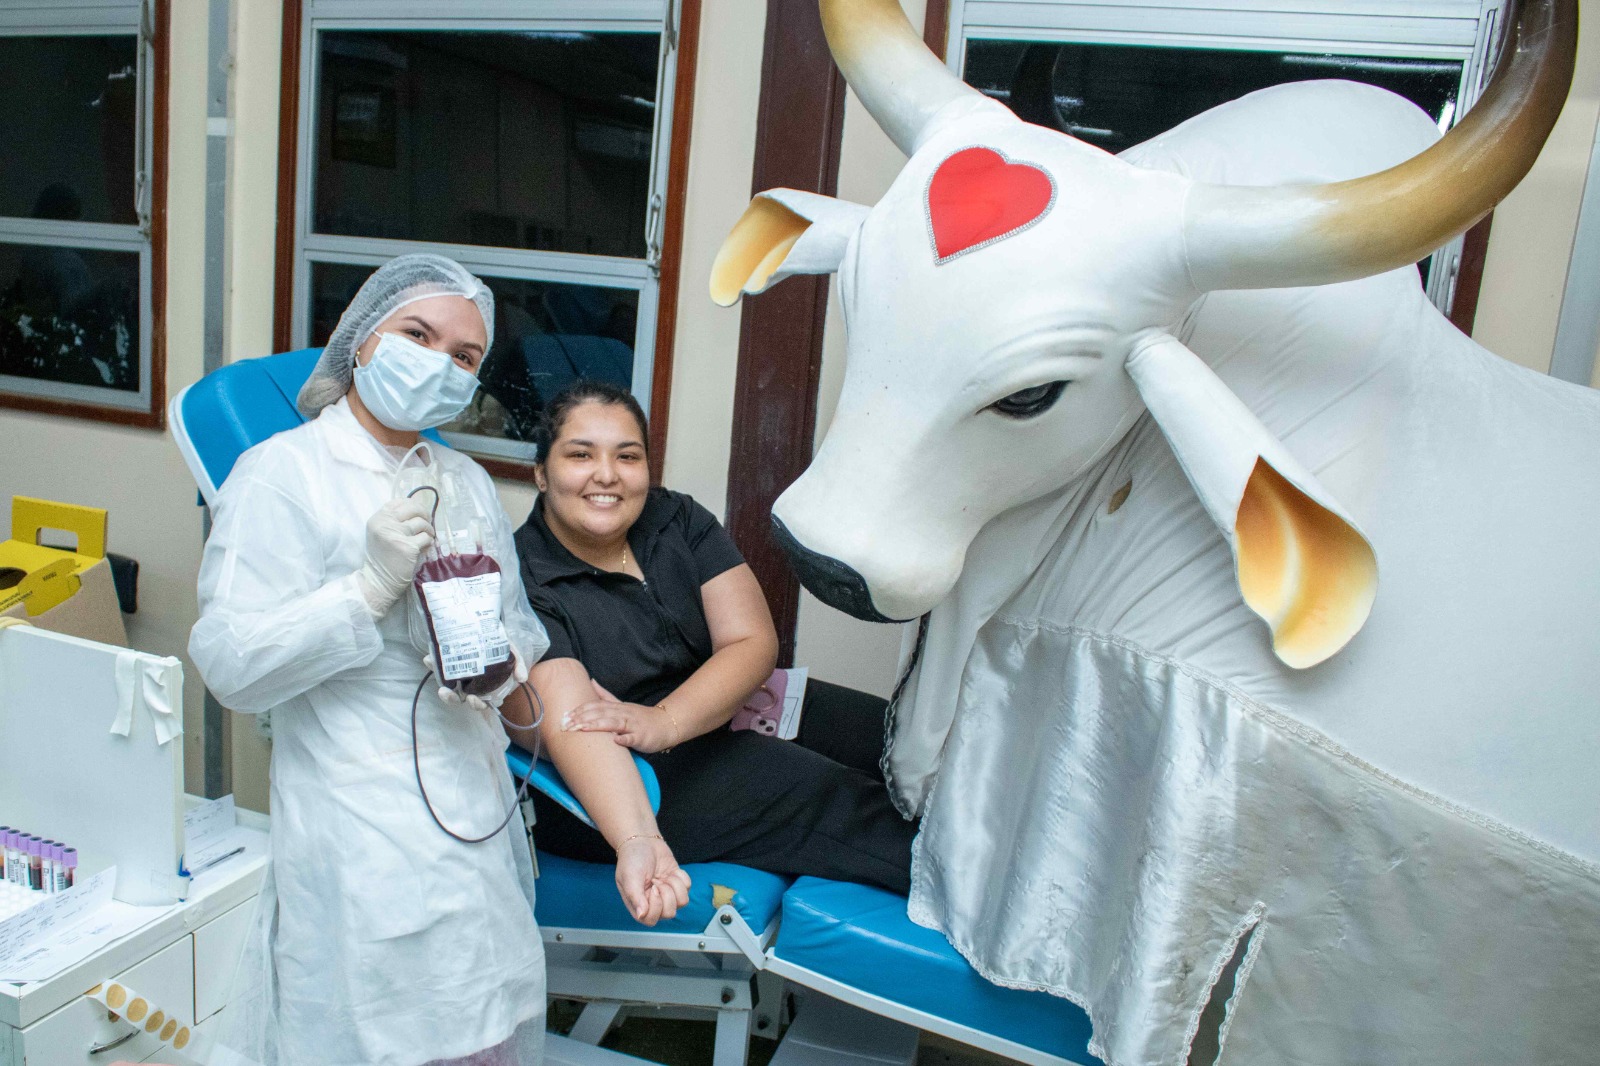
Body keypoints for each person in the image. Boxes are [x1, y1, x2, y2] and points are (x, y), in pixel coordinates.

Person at [188, 255, 685, 1066]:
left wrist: (502, 677)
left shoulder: (466, 483)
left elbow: (522, 656)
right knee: (376, 1038)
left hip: (475, 814)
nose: (438, 363)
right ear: (361, 339)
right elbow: (230, 665)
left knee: (483, 1025)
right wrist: (365, 591)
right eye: (418, 335)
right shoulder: (283, 475)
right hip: (359, 824)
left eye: (463, 356)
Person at [510, 381, 918, 902]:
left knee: (899, 739)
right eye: (580, 455)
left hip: (710, 714)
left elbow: (750, 640)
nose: (607, 474)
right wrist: (637, 836)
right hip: (621, 782)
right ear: (541, 472)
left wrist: (667, 720)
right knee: (831, 798)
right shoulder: (522, 578)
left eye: (627, 456)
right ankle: (993, 906)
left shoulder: (675, 519)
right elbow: (571, 725)